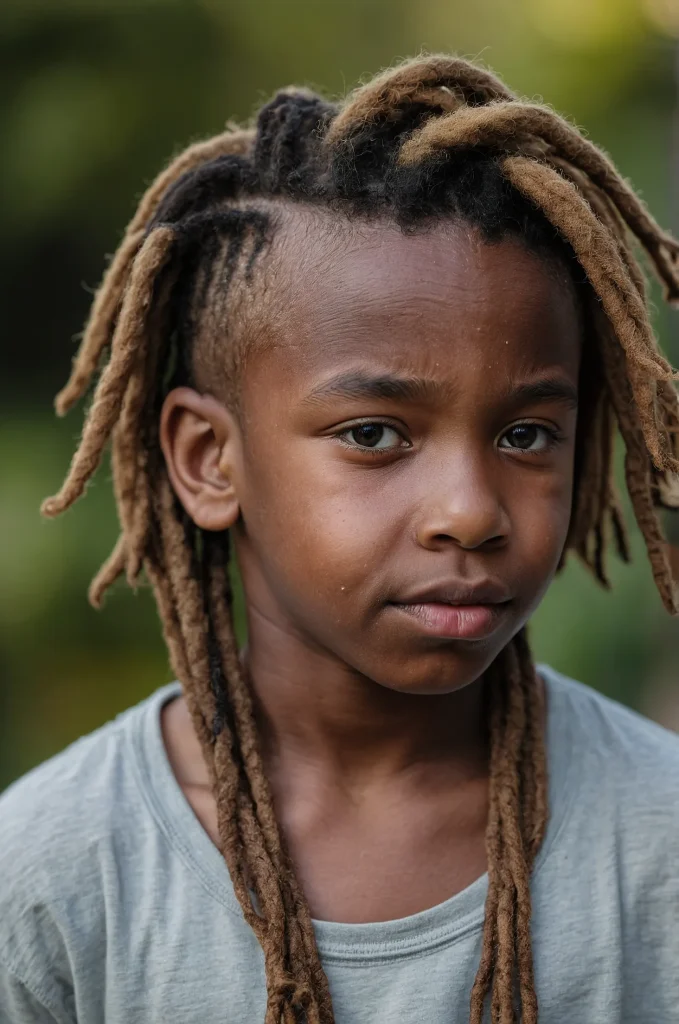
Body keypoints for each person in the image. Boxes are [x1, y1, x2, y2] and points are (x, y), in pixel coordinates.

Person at [1, 54, 679, 1024]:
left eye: (525, 434)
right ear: (209, 460)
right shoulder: (54, 879)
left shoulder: (659, 843)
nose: (470, 509)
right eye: (374, 434)